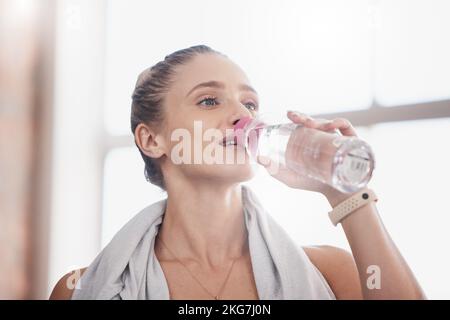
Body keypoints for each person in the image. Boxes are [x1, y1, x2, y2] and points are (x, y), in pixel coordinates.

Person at [50, 45, 425, 300]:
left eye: (250, 103)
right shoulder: (83, 289)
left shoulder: (329, 272)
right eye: (209, 100)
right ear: (151, 140)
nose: (244, 117)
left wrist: (346, 195)